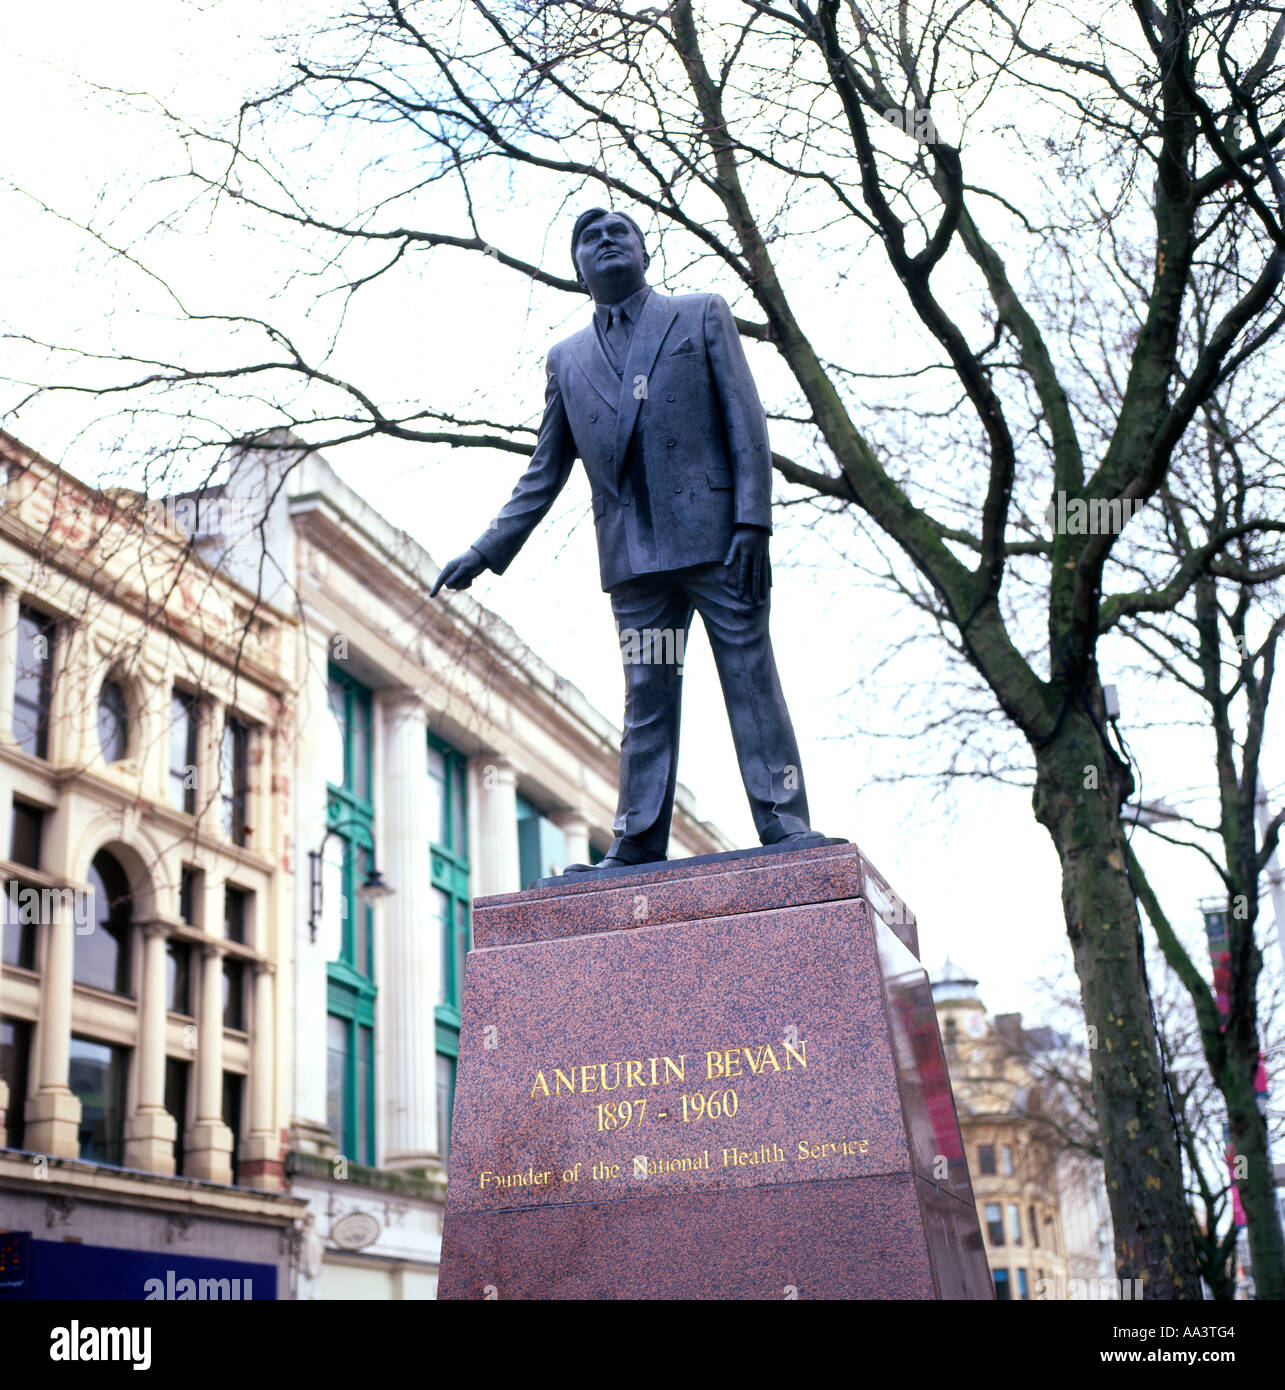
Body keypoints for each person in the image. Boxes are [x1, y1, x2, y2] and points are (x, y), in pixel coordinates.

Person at [431, 207, 826, 871]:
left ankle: (784, 823)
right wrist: (484, 550)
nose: (605, 240)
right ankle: (637, 840)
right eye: (589, 237)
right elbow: (545, 471)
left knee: (750, 680)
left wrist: (752, 521)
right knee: (646, 697)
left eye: (619, 231)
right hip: (635, 561)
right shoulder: (566, 359)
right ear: (578, 269)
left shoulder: (700, 314)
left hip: (719, 543)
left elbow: (745, 422)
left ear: (645, 252)